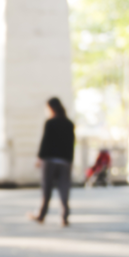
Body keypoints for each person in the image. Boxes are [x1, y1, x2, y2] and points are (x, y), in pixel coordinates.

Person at [31, 96, 76, 226]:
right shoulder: (69, 123)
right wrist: (70, 161)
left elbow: (45, 141)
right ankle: (64, 216)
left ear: (51, 108)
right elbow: (71, 144)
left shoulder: (50, 123)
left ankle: (41, 214)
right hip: (64, 161)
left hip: (49, 160)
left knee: (46, 189)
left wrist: (40, 157)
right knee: (64, 188)